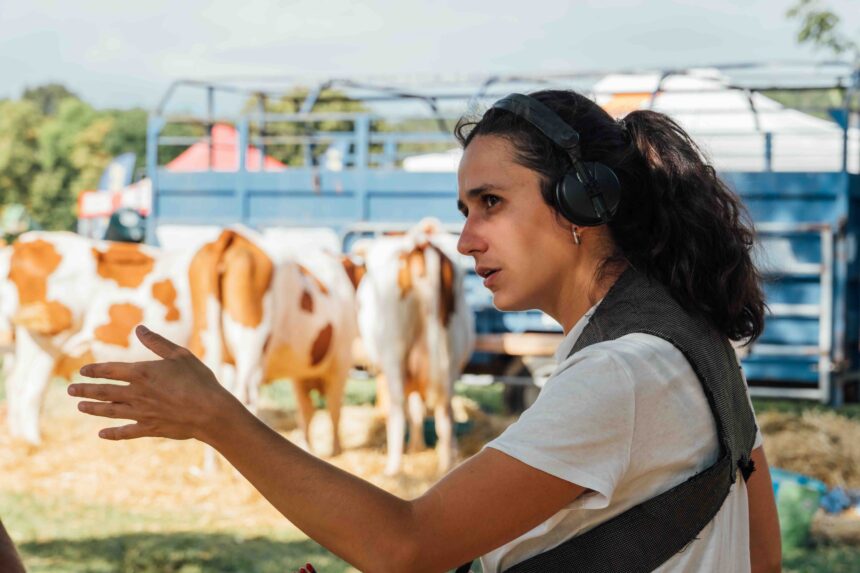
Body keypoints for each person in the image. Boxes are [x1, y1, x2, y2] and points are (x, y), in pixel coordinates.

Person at [69, 90, 781, 572]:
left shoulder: (622, 372)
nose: (465, 239)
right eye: (465, 208)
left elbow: (407, 544)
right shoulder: (690, 343)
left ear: (583, 203)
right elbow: (761, 556)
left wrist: (217, 416)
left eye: (490, 203)